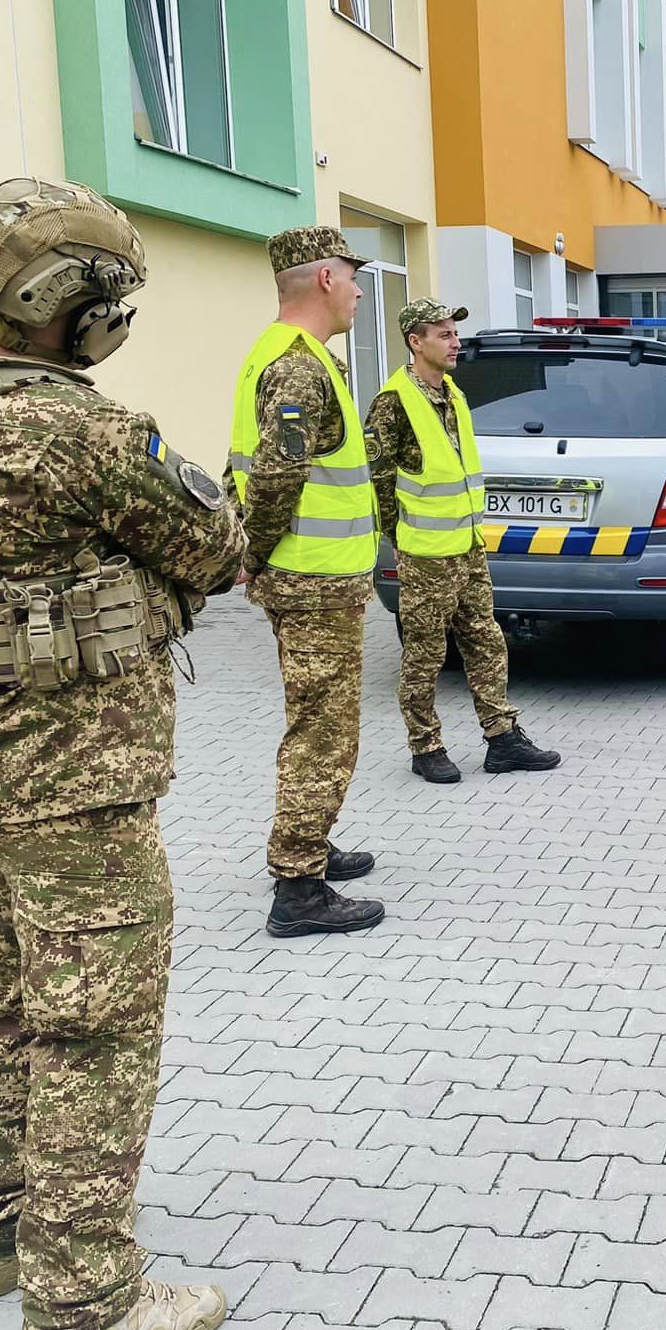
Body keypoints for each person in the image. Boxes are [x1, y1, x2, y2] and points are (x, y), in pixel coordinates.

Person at [0, 178, 239, 1330]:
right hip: (70, 777)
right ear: (63, 304)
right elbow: (216, 543)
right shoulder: (73, 428)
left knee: (15, 999)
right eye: (107, 296)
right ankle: (84, 1307)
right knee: (96, 1028)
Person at [229, 227, 387, 939]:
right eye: (353, 277)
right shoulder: (299, 368)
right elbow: (277, 476)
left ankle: (311, 845)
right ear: (325, 279)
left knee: (320, 721)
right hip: (312, 582)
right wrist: (251, 553)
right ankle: (298, 887)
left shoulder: (286, 356)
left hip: (313, 579)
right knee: (323, 732)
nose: (358, 290)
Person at [366, 298, 561, 783]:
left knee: (486, 641)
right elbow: (376, 479)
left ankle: (502, 739)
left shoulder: (452, 393)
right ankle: (425, 745)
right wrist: (401, 537)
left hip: (469, 546)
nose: (455, 343)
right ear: (416, 342)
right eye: (444, 334)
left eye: (455, 333)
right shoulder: (393, 402)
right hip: (426, 554)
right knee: (425, 654)